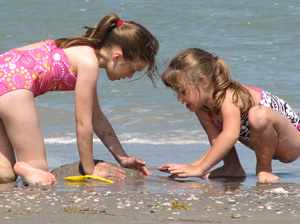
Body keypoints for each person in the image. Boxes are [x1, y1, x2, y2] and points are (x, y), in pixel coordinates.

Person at [0, 13, 159, 186]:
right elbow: (83, 123)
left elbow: (96, 117)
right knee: (38, 167)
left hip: (5, 75)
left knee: (6, 174)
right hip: (14, 85)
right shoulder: (89, 63)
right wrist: (90, 169)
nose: (130, 76)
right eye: (132, 69)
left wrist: (123, 158)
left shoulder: (80, 48)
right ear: (117, 57)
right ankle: (27, 167)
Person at [158, 48, 300, 183]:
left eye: (183, 91)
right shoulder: (201, 107)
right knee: (222, 136)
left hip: (291, 142)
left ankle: (264, 169)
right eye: (176, 92)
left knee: (258, 115)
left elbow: (230, 135)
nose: (179, 98)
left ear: (204, 82)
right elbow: (217, 139)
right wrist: (190, 168)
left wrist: (199, 168)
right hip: (264, 146)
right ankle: (232, 167)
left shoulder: (229, 96)